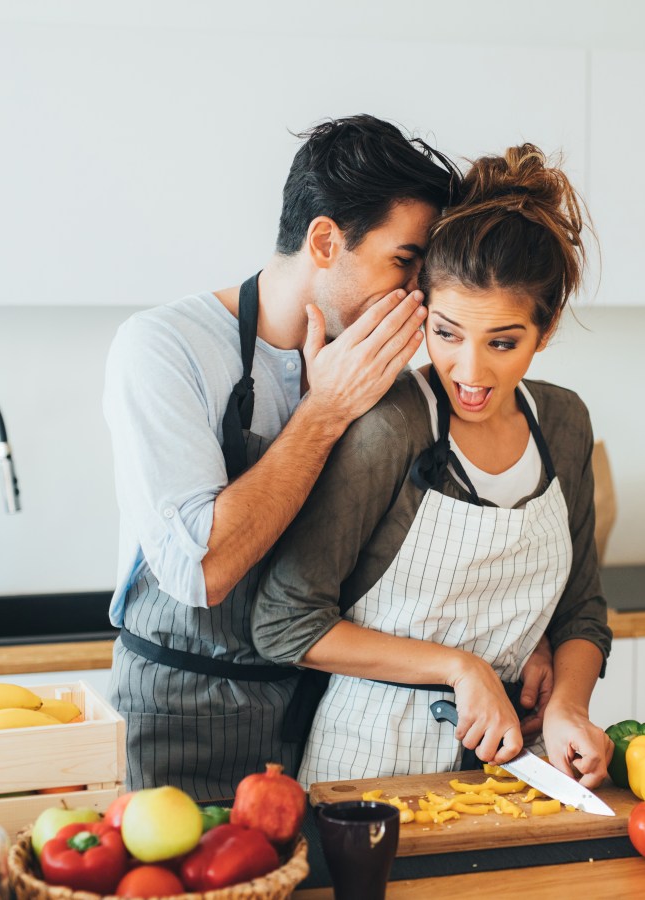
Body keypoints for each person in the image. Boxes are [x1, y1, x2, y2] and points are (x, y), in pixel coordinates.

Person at [102, 115, 479, 800]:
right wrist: (325, 412)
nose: (416, 297)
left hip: (318, 724)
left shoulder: (378, 381)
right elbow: (200, 569)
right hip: (179, 724)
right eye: (403, 261)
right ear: (326, 240)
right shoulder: (162, 347)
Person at [252, 144, 614, 789]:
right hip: (365, 773)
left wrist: (568, 707)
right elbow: (285, 623)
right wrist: (461, 667)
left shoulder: (563, 423)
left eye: (503, 342)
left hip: (513, 771)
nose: (471, 374)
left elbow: (581, 611)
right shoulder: (390, 424)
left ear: (547, 327)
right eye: (446, 333)